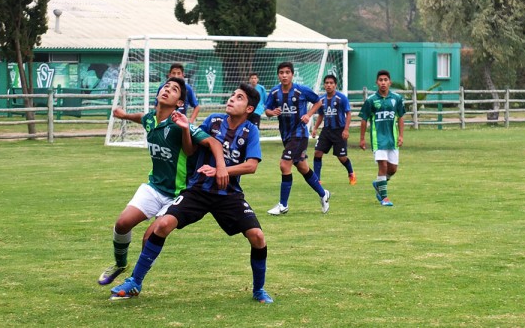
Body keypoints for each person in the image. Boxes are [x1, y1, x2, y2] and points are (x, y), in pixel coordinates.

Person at [110, 83, 273, 304]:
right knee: (163, 224)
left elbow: (252, 165)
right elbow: (192, 149)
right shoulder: (214, 121)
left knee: (258, 237)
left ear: (249, 109)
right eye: (232, 95)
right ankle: (134, 282)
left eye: (239, 97)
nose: (232, 99)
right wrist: (186, 129)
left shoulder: (251, 131)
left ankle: (259, 290)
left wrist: (221, 169)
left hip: (229, 195)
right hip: (198, 190)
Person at [97, 77, 228, 286]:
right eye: (166, 86)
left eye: (174, 89)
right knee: (122, 224)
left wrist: (221, 167)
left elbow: (212, 142)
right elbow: (141, 117)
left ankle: (134, 282)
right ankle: (120, 264)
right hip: (154, 187)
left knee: (149, 238)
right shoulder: (150, 119)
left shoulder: (180, 124)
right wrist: (124, 115)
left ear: (179, 103)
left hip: (178, 193)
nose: (167, 89)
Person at [264, 62, 329, 216]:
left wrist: (308, 114)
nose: (284, 75)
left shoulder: (301, 90)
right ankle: (323, 194)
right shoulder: (274, 92)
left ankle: (283, 205)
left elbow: (319, 101)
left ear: (292, 74)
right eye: (281, 72)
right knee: (302, 167)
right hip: (286, 135)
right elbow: (266, 110)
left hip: (299, 134)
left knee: (284, 164)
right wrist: (272, 112)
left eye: (287, 72)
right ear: (278, 75)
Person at [359, 70, 405, 207]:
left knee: (393, 169)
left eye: (385, 80)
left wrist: (401, 135)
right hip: (377, 139)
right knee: (383, 166)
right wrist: (362, 139)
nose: (383, 82)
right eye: (380, 80)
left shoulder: (396, 98)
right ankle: (384, 198)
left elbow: (401, 117)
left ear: (389, 82)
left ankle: (379, 183)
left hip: (392, 139)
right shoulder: (371, 100)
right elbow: (364, 119)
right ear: (376, 82)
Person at [311, 74, 357, 186]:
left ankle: (351, 173)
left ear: (335, 85)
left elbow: (348, 113)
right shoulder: (321, 100)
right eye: (326, 83)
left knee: (341, 157)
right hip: (326, 131)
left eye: (331, 83)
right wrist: (315, 128)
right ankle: (317, 180)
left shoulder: (341, 98)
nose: (329, 85)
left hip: (339, 131)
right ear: (324, 85)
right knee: (317, 152)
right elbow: (321, 115)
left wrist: (346, 130)